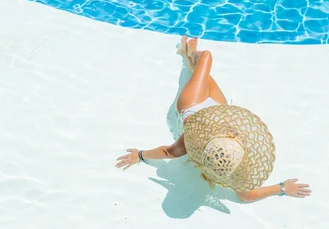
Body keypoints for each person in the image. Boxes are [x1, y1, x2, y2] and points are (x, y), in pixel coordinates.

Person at [115, 36, 311, 202]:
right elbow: (246, 196)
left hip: (192, 105)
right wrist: (282, 188)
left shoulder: (193, 140)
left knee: (206, 59)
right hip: (217, 107)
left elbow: (167, 152)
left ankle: (190, 55)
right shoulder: (235, 164)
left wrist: (139, 155)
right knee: (202, 75)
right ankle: (190, 58)